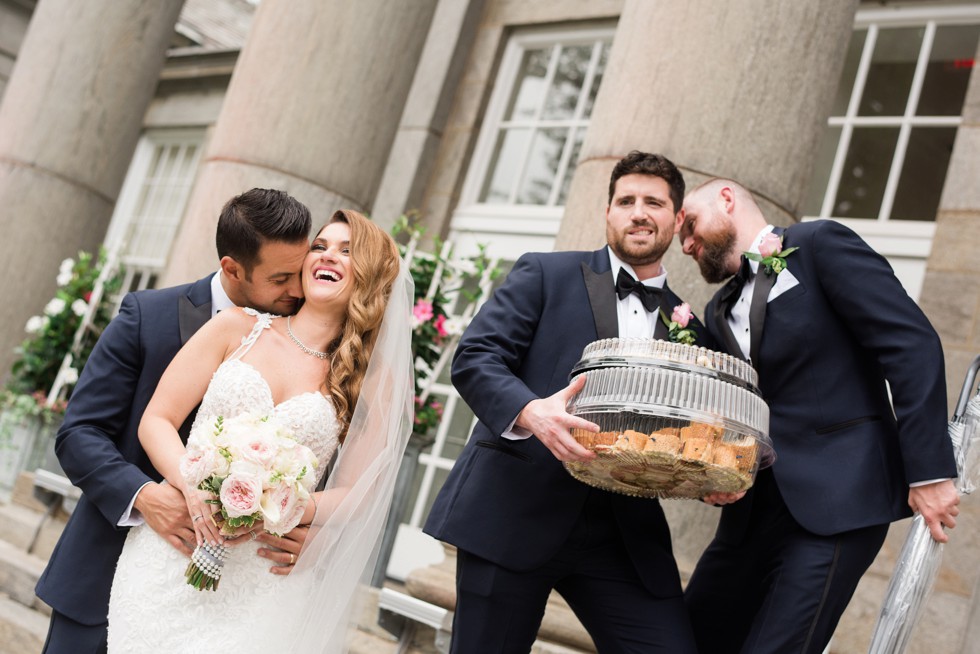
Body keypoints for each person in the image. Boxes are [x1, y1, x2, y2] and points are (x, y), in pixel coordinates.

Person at [425, 151, 710, 653]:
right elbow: (476, 357)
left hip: (623, 537)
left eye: (654, 202)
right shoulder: (546, 273)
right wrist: (530, 411)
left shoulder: (691, 330)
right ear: (608, 214)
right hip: (515, 507)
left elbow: (694, 429)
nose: (639, 212)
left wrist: (709, 475)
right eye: (626, 201)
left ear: (677, 218)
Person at [105, 209, 413, 653]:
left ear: (371, 276)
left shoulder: (370, 380)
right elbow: (157, 420)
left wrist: (283, 506)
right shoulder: (235, 328)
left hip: (263, 579)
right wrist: (193, 484)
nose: (329, 257)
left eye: (348, 251)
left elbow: (357, 491)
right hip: (172, 553)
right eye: (321, 246)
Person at [678, 178, 960, 654]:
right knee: (687, 637)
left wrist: (929, 470)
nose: (686, 243)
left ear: (726, 198)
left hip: (840, 499)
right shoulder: (718, 308)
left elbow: (912, 345)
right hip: (750, 514)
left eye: (689, 224)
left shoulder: (819, 244)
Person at [35, 188, 312, 654]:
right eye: (282, 277)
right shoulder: (147, 317)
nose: (298, 291)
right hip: (105, 573)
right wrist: (144, 497)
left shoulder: (309, 340)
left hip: (224, 613)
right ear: (232, 268)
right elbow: (80, 432)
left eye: (300, 272)